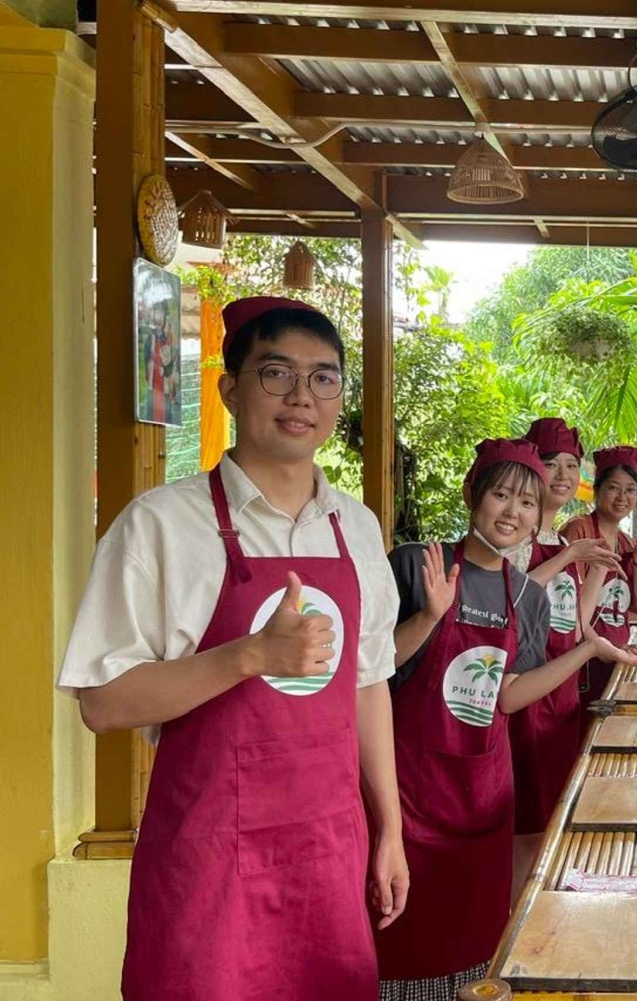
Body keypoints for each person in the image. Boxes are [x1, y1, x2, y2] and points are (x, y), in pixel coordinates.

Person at [58, 296, 408, 1000]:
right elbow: (102, 701)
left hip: (326, 855)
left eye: (323, 377)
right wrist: (247, 656)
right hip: (210, 862)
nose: (301, 396)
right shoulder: (161, 525)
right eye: (276, 373)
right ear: (230, 387)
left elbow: (368, 684)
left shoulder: (358, 529)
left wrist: (390, 827)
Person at [376, 439, 637, 999]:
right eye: (500, 495)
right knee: (401, 941)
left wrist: (587, 652)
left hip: (482, 791)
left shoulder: (527, 594)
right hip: (409, 790)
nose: (513, 513)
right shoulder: (414, 563)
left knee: (477, 942)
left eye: (526, 503)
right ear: (472, 495)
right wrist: (430, 616)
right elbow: (371, 672)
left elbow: (508, 697)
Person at [511, 418, 621, 837]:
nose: (563, 476)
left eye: (571, 466)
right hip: (523, 696)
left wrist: (595, 572)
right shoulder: (513, 535)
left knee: (553, 816)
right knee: (527, 821)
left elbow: (574, 628)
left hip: (561, 694)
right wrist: (568, 557)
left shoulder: (559, 541)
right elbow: (506, 595)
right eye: (551, 464)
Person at [562, 445, 637, 707]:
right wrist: (605, 648)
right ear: (597, 490)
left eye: (630, 490)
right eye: (613, 487)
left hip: (615, 658)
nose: (621, 497)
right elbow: (569, 610)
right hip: (581, 661)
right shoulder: (578, 530)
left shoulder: (625, 542)